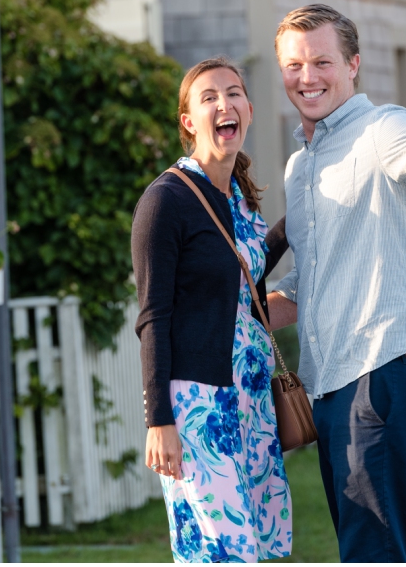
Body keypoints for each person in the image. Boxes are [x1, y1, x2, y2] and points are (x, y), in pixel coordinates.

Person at [264, 4, 406, 562]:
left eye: (322, 61)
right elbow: (307, 283)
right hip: (336, 386)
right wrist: (226, 315)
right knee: (375, 548)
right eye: (294, 64)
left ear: (354, 65)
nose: (307, 76)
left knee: (374, 551)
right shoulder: (301, 168)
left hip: (385, 373)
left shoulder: (384, 128)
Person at [132, 56, 293, 563]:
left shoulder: (241, 200)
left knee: (263, 547)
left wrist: (310, 212)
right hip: (199, 405)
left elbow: (245, 292)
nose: (224, 104)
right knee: (224, 552)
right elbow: (152, 316)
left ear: (248, 108)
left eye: (234, 93)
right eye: (209, 97)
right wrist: (160, 420)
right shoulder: (167, 201)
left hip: (252, 400)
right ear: (188, 121)